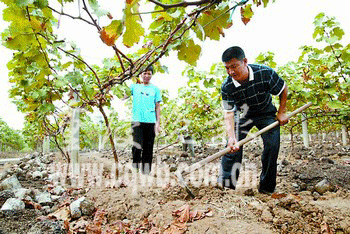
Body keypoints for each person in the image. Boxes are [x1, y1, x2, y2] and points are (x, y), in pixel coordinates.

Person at [219, 46, 288, 194]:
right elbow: (229, 113)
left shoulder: (265, 73)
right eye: (227, 68)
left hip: (266, 113)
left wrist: (281, 112)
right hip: (243, 116)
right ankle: (226, 188)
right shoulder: (227, 86)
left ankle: (266, 189)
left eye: (234, 66)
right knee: (231, 148)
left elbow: (283, 88)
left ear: (244, 61)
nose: (230, 71)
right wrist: (232, 137)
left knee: (272, 146)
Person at [130, 65, 162, 174]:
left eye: (149, 73)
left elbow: (157, 107)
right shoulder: (134, 87)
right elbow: (122, 96)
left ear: (152, 75)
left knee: (148, 148)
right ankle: (135, 168)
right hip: (137, 121)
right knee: (137, 145)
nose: (147, 76)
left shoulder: (155, 89)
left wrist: (158, 123)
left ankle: (146, 172)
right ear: (140, 74)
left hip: (150, 122)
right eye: (144, 73)